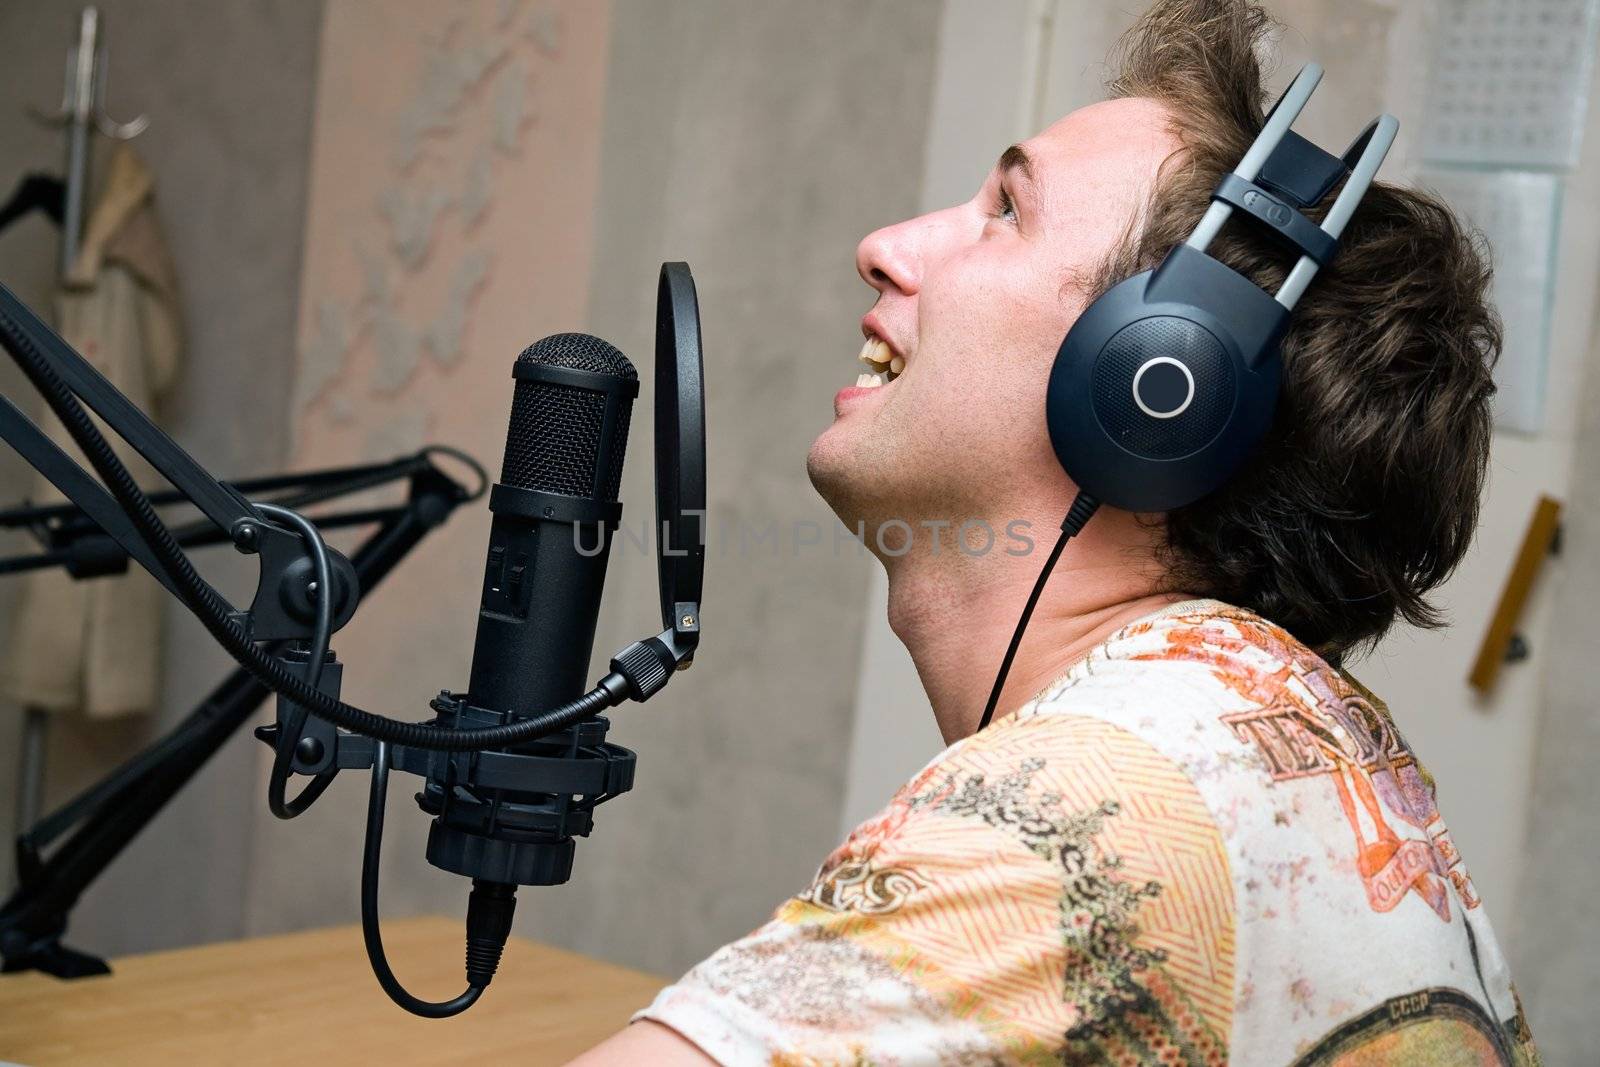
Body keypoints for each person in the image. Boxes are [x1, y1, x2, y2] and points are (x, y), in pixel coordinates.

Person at [574, 0, 1539, 1062]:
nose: (883, 248)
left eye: (1004, 213)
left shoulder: (1093, 816)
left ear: (1158, 381)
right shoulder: (1291, 728)